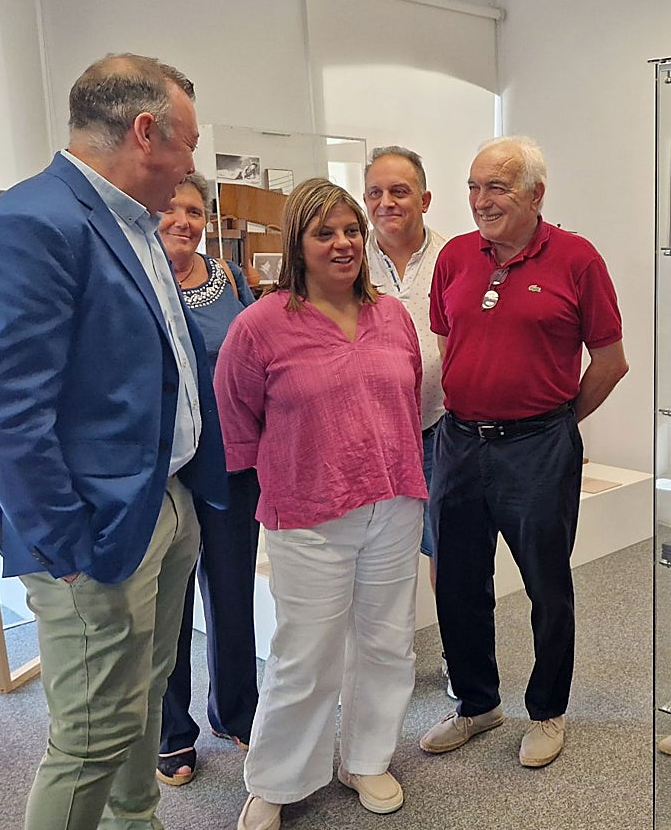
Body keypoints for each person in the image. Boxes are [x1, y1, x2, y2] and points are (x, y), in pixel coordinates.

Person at [0, 54, 227, 830]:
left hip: (162, 504)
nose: (190, 164)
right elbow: (1, 415)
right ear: (147, 132)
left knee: (141, 702)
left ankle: (135, 822)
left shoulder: (131, 223)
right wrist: (71, 550)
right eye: (188, 143)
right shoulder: (32, 223)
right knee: (88, 741)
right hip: (95, 536)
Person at [214, 178, 427, 829]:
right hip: (308, 513)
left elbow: (411, 397)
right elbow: (236, 414)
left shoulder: (392, 315)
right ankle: (278, 780)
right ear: (297, 244)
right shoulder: (260, 326)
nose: (343, 244)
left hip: (393, 503)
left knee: (389, 644)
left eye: (351, 231)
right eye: (325, 232)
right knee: (304, 655)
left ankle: (365, 757)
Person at [420, 136, 629, 769]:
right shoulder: (455, 257)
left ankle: (547, 709)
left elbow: (611, 362)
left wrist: (558, 420)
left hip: (538, 447)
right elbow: (446, 343)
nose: (481, 201)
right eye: (474, 187)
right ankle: (478, 704)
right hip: (458, 442)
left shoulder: (576, 259)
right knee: (456, 582)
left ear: (536, 194)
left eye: (498, 188)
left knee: (546, 583)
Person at [155, 172, 260, 787]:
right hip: (166, 469)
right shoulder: (136, 276)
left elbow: (251, 357)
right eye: (171, 207)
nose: (183, 220)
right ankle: (173, 733)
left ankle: (235, 710)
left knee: (232, 591)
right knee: (171, 603)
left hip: (231, 462)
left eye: (194, 210)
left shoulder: (230, 278)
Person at [362, 145, 454, 698]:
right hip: (374, 432)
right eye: (375, 192)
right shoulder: (350, 254)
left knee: (451, 551)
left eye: (399, 191)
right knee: (381, 555)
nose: (386, 203)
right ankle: (385, 661)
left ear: (424, 198)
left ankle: (458, 655)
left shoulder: (457, 256)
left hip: (444, 425)